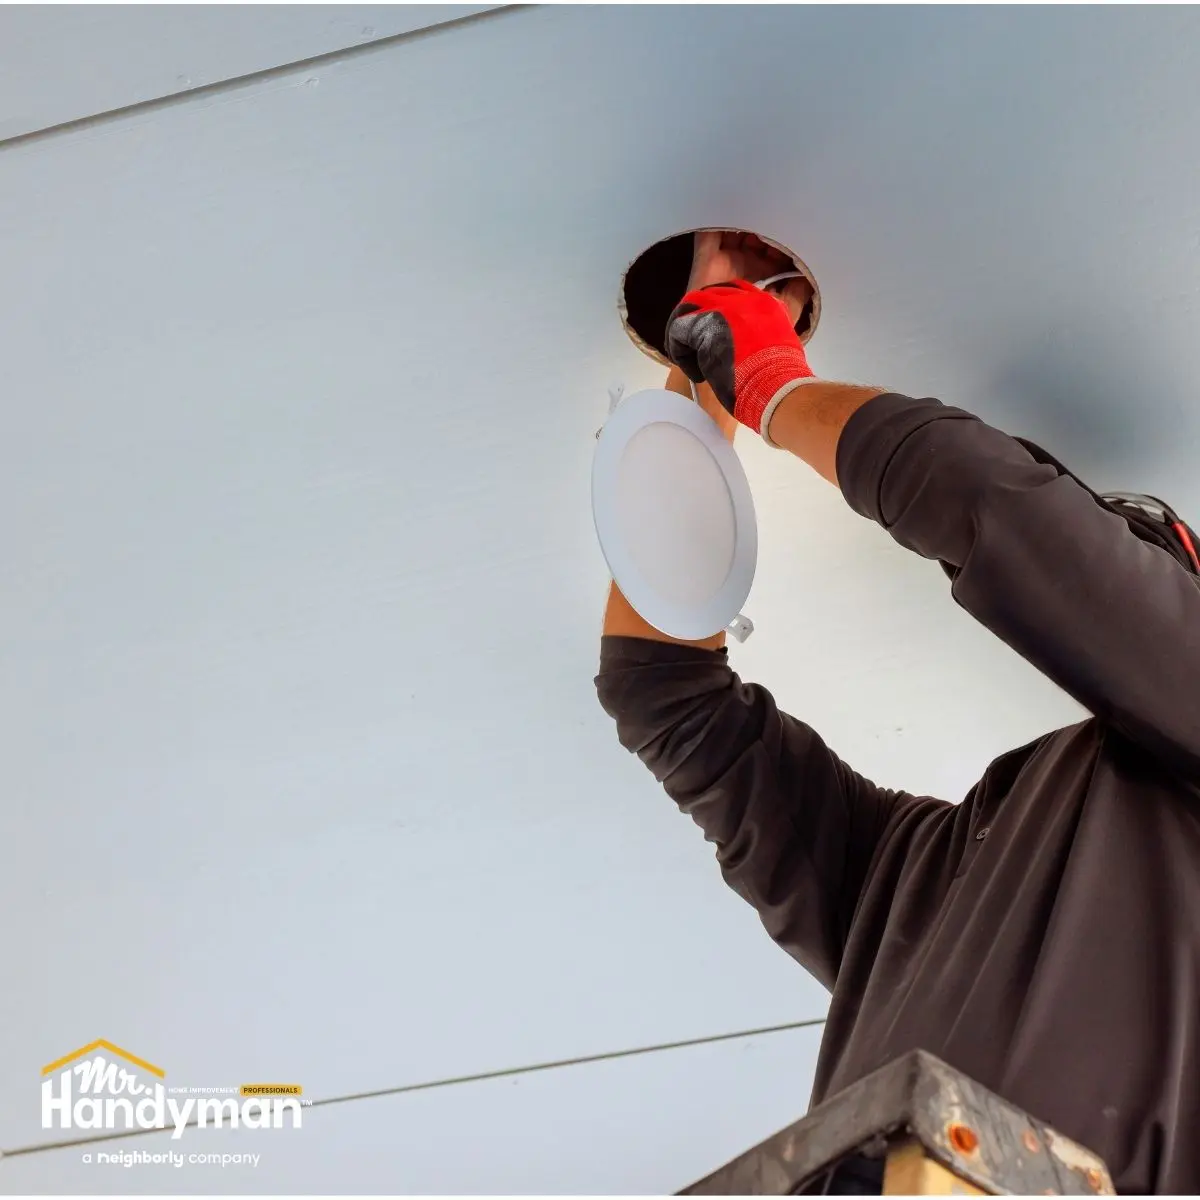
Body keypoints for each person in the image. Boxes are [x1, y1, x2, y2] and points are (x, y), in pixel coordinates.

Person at [595, 231, 1200, 1194]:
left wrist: (769, 381)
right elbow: (662, 691)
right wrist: (697, 382)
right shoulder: (914, 885)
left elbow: (998, 508)